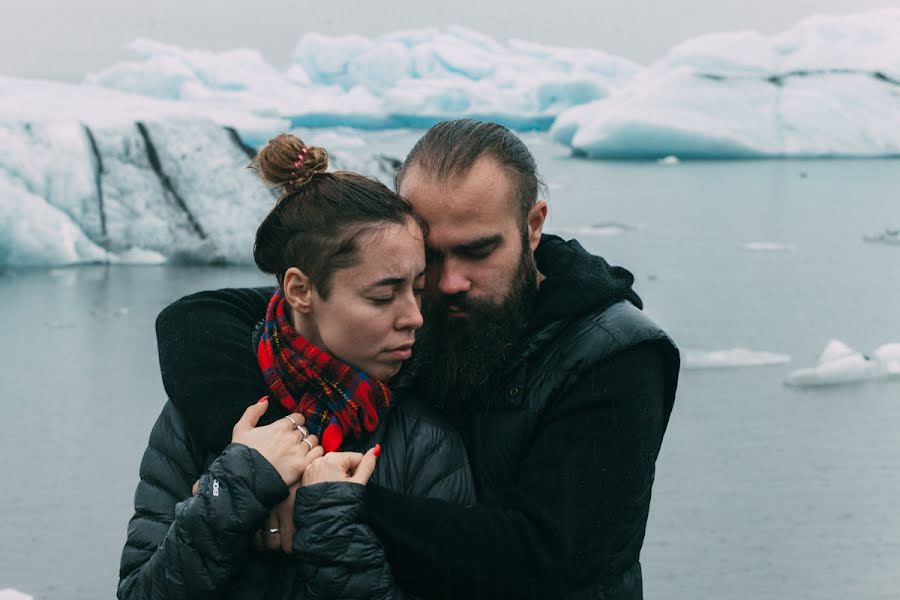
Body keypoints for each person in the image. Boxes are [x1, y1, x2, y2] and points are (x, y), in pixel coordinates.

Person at [156, 120, 681, 599]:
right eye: (429, 256)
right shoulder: (416, 307)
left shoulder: (616, 356)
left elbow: (543, 560)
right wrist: (273, 461)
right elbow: (197, 319)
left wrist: (331, 503)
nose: (449, 283)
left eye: (478, 251)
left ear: (533, 224)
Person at [117, 134, 476, 599]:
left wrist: (329, 525)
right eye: (383, 296)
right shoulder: (197, 413)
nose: (414, 316)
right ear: (301, 291)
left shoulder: (424, 441)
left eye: (418, 288)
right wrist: (238, 486)